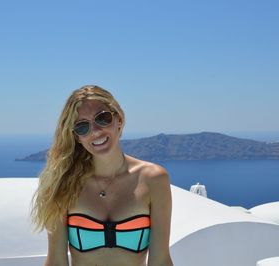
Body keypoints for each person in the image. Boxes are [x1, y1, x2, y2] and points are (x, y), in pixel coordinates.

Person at [31, 85, 173, 266]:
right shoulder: (62, 183)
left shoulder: (154, 179)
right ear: (76, 136)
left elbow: (160, 260)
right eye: (83, 127)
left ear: (118, 119)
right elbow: (56, 261)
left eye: (102, 118)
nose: (96, 131)